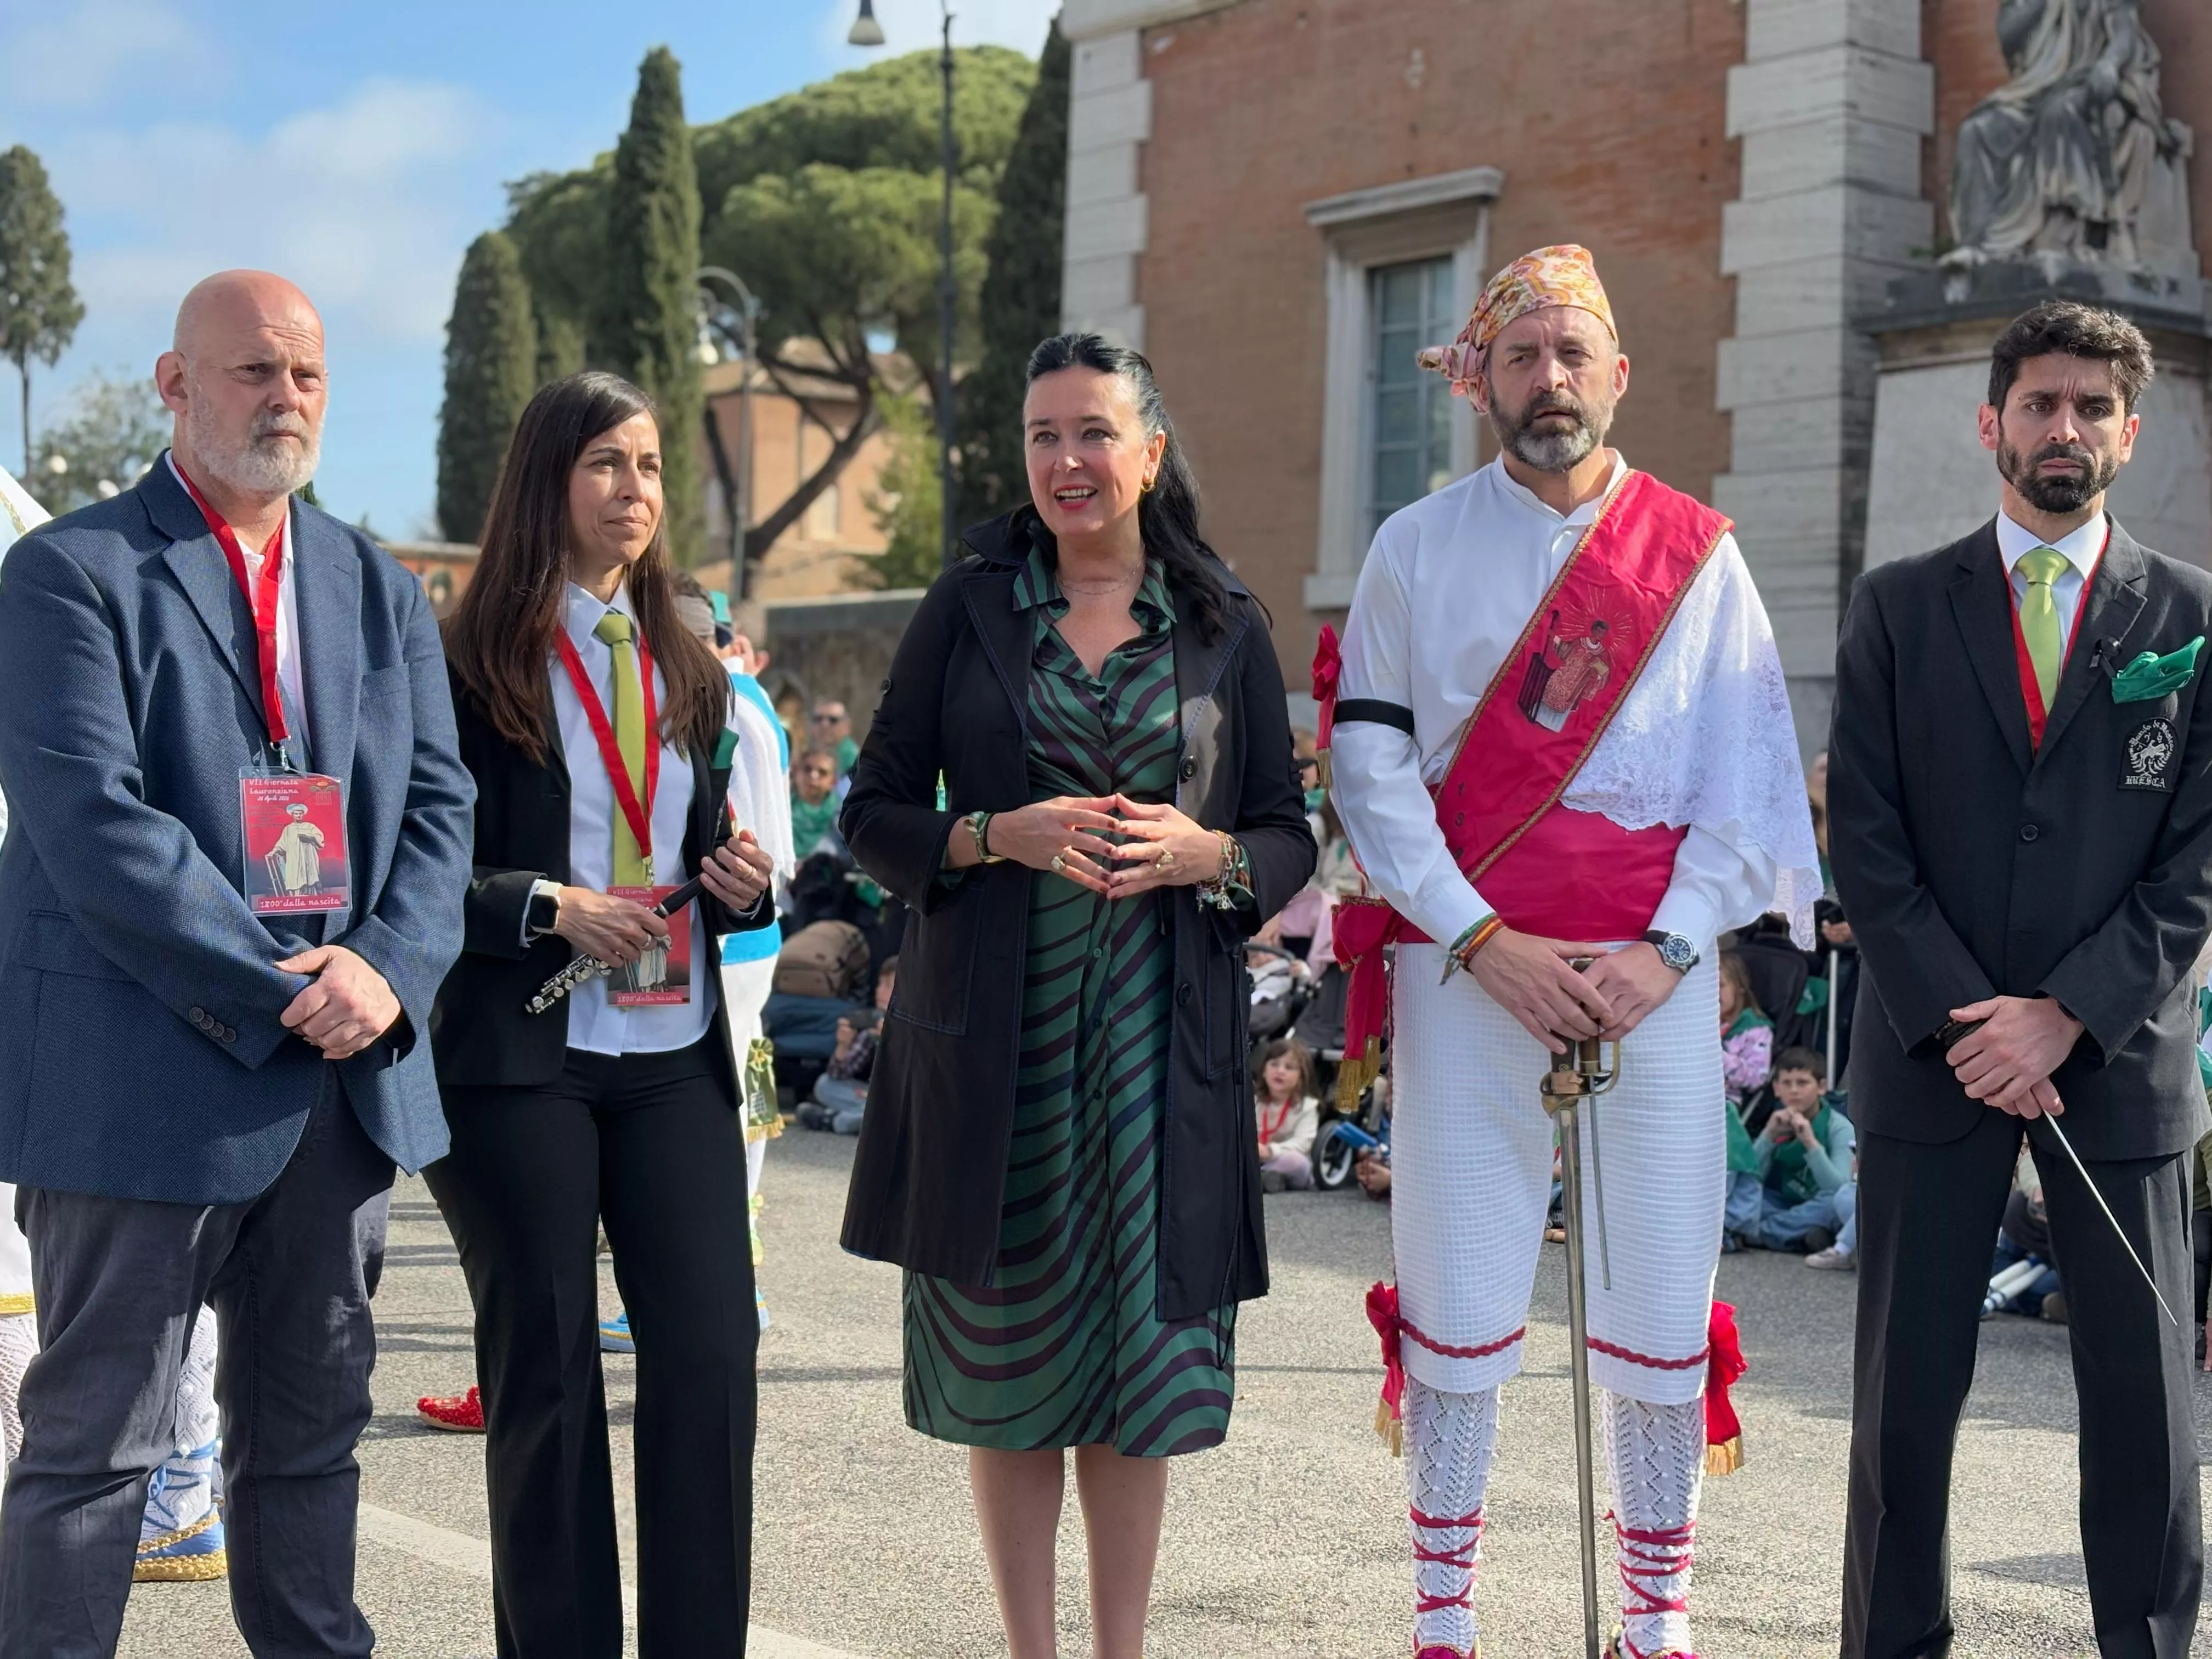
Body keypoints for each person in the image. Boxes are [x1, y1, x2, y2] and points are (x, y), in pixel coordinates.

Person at [1324, 244, 1819, 1659]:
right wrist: (1486, 943)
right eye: (1521, 354)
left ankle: (1657, 1618)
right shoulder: (1411, 547)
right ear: (1480, 378)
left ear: (1618, 374)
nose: (1550, 379)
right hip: (1472, 970)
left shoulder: (1700, 558)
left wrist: (1665, 953)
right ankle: (1444, 1614)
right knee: (1463, 1283)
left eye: (1572, 353)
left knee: (1664, 1290)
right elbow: (1371, 773)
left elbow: (1749, 778)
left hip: (1648, 982)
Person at [0, 270, 475, 1654]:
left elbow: (440, 808)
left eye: (308, 377)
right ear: (174, 384)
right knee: (94, 1459)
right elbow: (95, 826)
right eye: (255, 371)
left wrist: (383, 970)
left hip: (336, 1097)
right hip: (139, 1089)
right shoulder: (69, 574)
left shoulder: (375, 586)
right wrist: (291, 990)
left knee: (313, 1447)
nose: (285, 401)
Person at [839, 331, 1314, 1659]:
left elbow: (1287, 834)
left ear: (1152, 452)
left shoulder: (1225, 622)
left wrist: (1205, 854)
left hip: (1163, 1063)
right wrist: (997, 834)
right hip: (999, 1056)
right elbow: (870, 812)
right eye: (1045, 435)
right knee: (1008, 1375)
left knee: (1140, 1375)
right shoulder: (967, 606)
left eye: (1095, 432)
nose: (1067, 460)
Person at [1830, 300, 2212, 1656]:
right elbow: (1866, 845)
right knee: (1905, 1401)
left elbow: (2200, 858)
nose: (2066, 429)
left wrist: (2069, 1016)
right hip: (1936, 1062)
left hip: (2117, 1062)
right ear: (1990, 422)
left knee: (2148, 1402)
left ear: (2129, 431)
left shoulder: (2192, 618)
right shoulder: (1895, 608)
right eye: (2041, 404)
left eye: (2092, 408)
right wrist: (1970, 1021)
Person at [427, 370, 777, 1658]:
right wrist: (545, 905)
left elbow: (698, 841)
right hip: (520, 1060)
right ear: (546, 484)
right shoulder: (465, 660)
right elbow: (415, 866)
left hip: (671, 1056)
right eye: (605, 466)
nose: (636, 490)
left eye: (648, 466)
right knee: (549, 1382)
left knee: (709, 1363)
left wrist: (742, 878)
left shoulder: (688, 654)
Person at [1751, 1047, 1855, 1251]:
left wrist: (1811, 1144)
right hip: (1783, 1202)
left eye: (1803, 1083)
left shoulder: (1840, 1127)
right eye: (1787, 1084)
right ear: (1776, 1088)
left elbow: (1837, 1188)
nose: (1794, 1091)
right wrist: (1768, 1137)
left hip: (1818, 1203)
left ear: (1822, 1087)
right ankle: (1798, 1236)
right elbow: (1751, 1180)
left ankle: (1757, 1233)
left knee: (1833, 1203)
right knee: (1744, 1196)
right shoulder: (1778, 1119)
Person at [1254, 1039, 1322, 1192]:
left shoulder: (1308, 1107)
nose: (1280, 1071)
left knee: (1297, 1162)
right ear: (1264, 1071)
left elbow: (1302, 1143)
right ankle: (1265, 1180)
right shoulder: (1254, 1101)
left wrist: (1270, 1151)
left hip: (1281, 1159)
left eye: (1289, 1067)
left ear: (1301, 1078)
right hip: (1254, 1158)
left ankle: (1261, 1179)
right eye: (1274, 1064)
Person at [1719, 950, 1776, 1115]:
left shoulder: (1757, 1031)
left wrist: (1719, 1057)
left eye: (1720, 985)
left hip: (1726, 1103)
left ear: (1740, 987)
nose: (1713, 992)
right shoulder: (1702, 1023)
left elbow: (1757, 1077)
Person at [790, 747, 843, 859]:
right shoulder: (779, 812)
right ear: (796, 774)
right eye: (807, 769)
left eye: (822, 772)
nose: (813, 776)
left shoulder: (844, 816)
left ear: (833, 782)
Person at [810, 698, 859, 780]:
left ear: (847, 726)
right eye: (819, 719)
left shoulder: (855, 763)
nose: (824, 725)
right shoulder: (808, 760)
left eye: (833, 720)